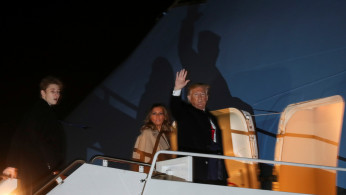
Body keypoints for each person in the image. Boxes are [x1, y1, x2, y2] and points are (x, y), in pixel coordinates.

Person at [2, 76, 66, 195]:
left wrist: (11, 163)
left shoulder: (42, 111)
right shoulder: (42, 111)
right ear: (43, 93)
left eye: (58, 92)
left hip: (36, 166)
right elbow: (28, 136)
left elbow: (20, 135)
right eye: (52, 91)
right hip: (39, 166)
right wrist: (52, 165)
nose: (56, 94)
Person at [170, 69, 228, 185]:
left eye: (203, 94)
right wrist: (177, 89)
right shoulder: (186, 113)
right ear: (189, 98)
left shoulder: (212, 118)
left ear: (207, 97)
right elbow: (175, 107)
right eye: (196, 94)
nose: (200, 97)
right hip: (196, 168)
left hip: (216, 166)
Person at [132, 103, 172, 173]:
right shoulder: (147, 132)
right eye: (154, 113)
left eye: (160, 113)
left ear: (165, 116)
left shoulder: (165, 135)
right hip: (151, 173)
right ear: (150, 117)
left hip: (165, 172)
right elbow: (142, 158)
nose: (157, 116)